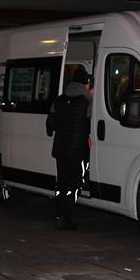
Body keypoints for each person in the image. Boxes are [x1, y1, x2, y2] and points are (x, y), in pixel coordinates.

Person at [46, 68, 92, 230]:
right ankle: (67, 218)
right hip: (78, 152)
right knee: (75, 186)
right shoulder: (87, 102)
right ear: (85, 83)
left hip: (60, 150)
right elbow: (90, 127)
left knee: (62, 185)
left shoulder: (58, 101)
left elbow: (50, 125)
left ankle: (59, 216)